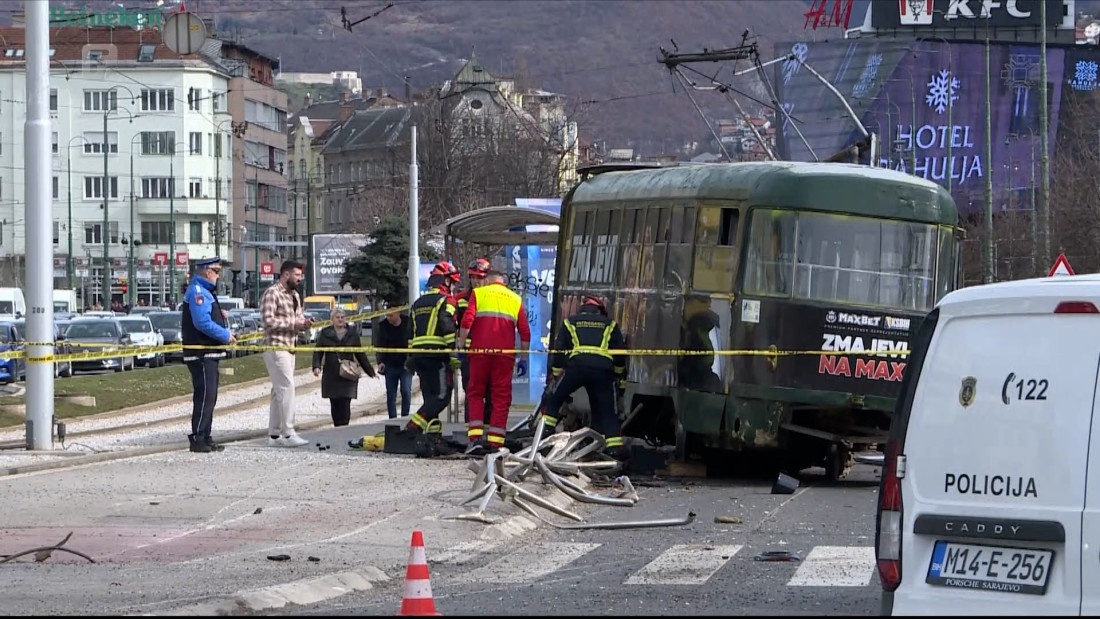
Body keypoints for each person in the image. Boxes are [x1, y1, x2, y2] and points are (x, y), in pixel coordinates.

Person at [542, 295, 629, 459]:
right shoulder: (610, 324)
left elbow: (559, 351)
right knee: (608, 411)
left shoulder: (570, 322)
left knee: (554, 398)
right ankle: (614, 450)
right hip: (603, 371)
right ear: (600, 311)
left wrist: (555, 375)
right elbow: (620, 354)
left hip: (576, 368)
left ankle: (545, 435)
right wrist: (618, 379)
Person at [457, 270, 530, 455]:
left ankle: (475, 440)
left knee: (475, 393)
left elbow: (466, 321)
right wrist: (523, 358)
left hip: (479, 352)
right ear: (503, 282)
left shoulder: (479, 293)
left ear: (488, 281)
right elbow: (524, 331)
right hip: (504, 355)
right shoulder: (515, 298)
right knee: (501, 397)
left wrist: (462, 345)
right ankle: (496, 443)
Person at [181, 257, 236, 453]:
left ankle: (205, 435)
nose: (218, 275)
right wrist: (225, 335)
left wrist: (220, 316)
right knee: (205, 396)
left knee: (209, 396)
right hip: (201, 353)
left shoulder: (205, 292)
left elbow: (206, 317)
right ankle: (198, 437)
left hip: (208, 353)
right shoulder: (198, 292)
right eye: (216, 271)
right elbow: (201, 322)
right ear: (206, 271)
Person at [260, 259, 314, 447]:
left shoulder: (295, 296)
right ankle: (288, 432)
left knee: (278, 390)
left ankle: (274, 435)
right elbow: (268, 321)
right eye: (297, 275)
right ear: (286, 274)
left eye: (300, 275)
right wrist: (294, 324)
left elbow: (298, 317)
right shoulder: (272, 293)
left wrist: (304, 323)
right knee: (287, 387)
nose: (300, 278)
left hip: (290, 346)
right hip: (276, 346)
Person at [404, 261, 461, 435]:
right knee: (442, 397)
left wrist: (411, 357)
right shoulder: (447, 300)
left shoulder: (417, 303)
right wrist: (453, 354)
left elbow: (410, 333)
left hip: (419, 356)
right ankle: (413, 427)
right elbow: (447, 327)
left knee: (429, 397)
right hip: (438, 356)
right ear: (446, 281)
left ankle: (432, 435)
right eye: (452, 282)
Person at [312, 307, 377, 427]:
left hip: (348, 373)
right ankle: (337, 427)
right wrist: (316, 366)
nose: (340, 319)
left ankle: (344, 426)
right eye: (337, 317)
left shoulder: (352, 333)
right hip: (331, 374)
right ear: (332, 319)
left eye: (342, 317)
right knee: (334, 403)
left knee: (345, 403)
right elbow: (318, 351)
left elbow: (360, 353)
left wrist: (370, 371)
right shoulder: (325, 333)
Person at [455, 258, 491, 435]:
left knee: (491, 391)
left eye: (480, 277)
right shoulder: (461, 299)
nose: (476, 281)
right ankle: (470, 429)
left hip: (489, 351)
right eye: (473, 277)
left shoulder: (493, 297)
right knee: (471, 390)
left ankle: (489, 429)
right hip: (469, 353)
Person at [375, 308, 413, 419]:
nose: (389, 318)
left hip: (406, 364)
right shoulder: (383, 326)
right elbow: (379, 345)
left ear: (398, 313)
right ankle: (393, 418)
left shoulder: (408, 324)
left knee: (406, 390)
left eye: (391, 315)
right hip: (390, 364)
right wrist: (380, 361)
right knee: (391, 393)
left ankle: (405, 416)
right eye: (387, 316)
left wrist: (412, 360)